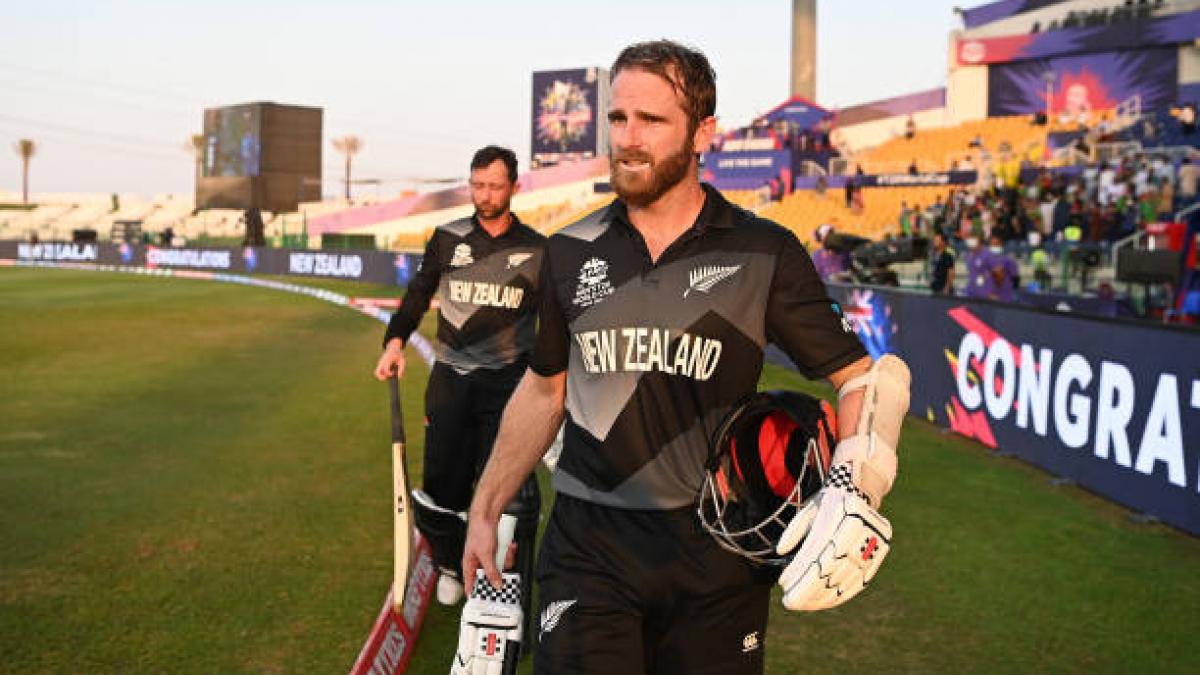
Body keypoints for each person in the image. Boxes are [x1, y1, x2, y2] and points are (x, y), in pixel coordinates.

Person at [462, 40, 902, 675]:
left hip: (720, 560)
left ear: (703, 133)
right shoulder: (569, 250)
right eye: (617, 118)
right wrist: (485, 509)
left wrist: (856, 485)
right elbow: (543, 390)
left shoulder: (766, 252)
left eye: (652, 120)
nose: (628, 138)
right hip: (590, 549)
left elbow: (863, 377)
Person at [372, 145, 545, 607]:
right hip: (451, 381)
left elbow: (558, 320)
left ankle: (496, 572)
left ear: (514, 187)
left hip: (509, 387)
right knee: (443, 484)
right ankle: (450, 564)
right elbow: (418, 293)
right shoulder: (448, 237)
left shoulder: (537, 249)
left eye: (494, 185)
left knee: (499, 484)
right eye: (477, 185)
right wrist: (394, 343)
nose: (484, 195)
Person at [928, 230, 955, 295]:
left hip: (944, 288)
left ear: (943, 242)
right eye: (934, 240)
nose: (935, 242)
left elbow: (951, 273)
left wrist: (947, 287)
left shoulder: (948, 256)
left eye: (937, 241)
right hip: (935, 287)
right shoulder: (933, 255)